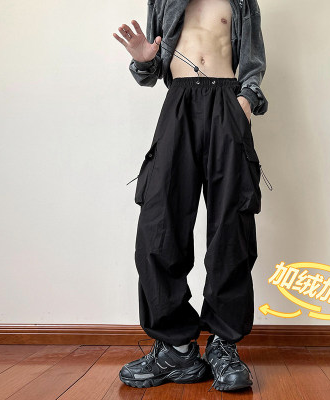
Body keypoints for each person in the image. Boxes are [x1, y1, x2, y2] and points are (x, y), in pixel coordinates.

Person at [113, 0, 271, 392]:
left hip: (227, 102)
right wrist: (143, 59)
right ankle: (177, 349)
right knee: (158, 225)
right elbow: (151, 70)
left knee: (232, 230)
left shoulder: (241, 1)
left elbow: (253, 61)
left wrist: (245, 102)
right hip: (179, 102)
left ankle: (223, 344)